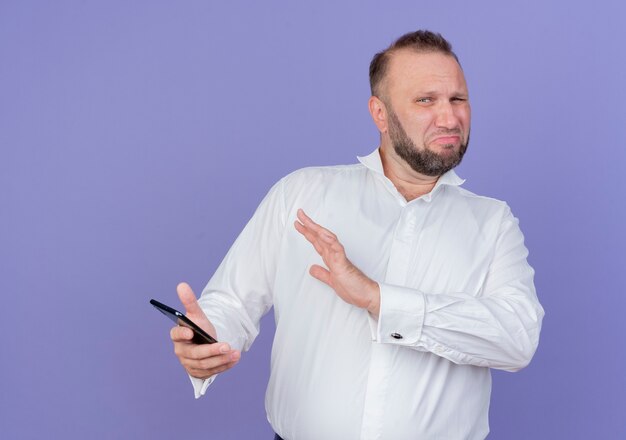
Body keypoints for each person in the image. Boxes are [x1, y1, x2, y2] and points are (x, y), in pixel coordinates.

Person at [169, 30, 544, 440]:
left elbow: (517, 339)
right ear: (379, 114)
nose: (449, 118)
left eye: (458, 99)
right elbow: (231, 302)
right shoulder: (302, 195)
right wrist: (208, 342)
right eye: (426, 100)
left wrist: (378, 300)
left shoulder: (493, 222)